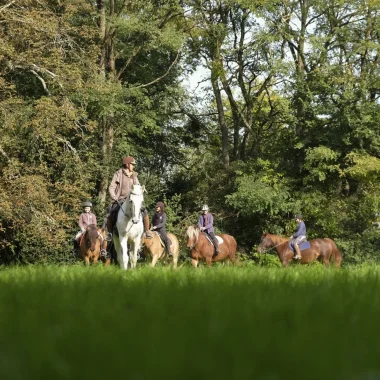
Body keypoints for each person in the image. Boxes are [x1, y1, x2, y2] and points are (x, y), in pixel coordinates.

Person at [105, 155, 152, 241]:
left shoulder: (134, 175)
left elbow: (138, 186)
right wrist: (114, 196)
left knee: (144, 210)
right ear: (127, 164)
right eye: (132, 164)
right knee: (110, 211)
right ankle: (110, 233)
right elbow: (111, 187)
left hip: (133, 199)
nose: (133, 166)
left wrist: (141, 189)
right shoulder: (118, 174)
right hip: (121, 199)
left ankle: (147, 230)